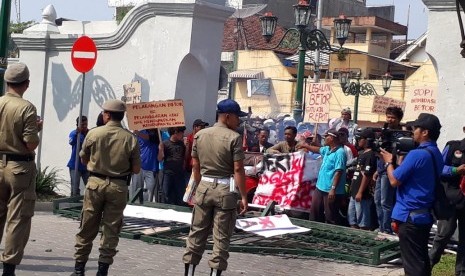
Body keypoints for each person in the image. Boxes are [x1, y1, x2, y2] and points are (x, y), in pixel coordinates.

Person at [72, 99, 141, 276]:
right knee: (111, 229)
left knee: (87, 226)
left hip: (95, 183)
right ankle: (102, 271)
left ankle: (79, 269)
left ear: (107, 115)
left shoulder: (94, 134)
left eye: (104, 112)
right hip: (118, 186)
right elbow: (136, 169)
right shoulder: (130, 138)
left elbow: (83, 159)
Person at [182, 99, 248, 276]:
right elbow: (238, 169)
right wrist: (243, 196)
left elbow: (195, 167)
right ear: (227, 116)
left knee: (196, 233)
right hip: (225, 190)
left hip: (203, 187)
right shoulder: (234, 138)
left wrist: (196, 188)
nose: (238, 121)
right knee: (221, 237)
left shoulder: (200, 135)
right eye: (237, 117)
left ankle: (189, 273)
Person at [380, 113, 443, 276]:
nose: (412, 131)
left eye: (415, 128)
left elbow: (394, 180)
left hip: (409, 217)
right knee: (420, 260)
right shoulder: (435, 152)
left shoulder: (417, 154)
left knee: (413, 266)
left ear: (425, 132)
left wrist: (388, 162)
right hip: (423, 215)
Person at [0, 63, 42, 276]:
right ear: (26, 84)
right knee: (17, 218)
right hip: (19, 168)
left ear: (7, 82)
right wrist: (37, 128)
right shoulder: (26, 108)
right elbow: (30, 143)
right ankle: (8, 268)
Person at [429, 131, 465, 275]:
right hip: (449, 199)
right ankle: (428, 265)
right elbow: (439, 168)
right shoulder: (453, 146)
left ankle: (461, 271)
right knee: (444, 234)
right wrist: (456, 170)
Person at [299, 128, 347, 225]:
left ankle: (332, 235)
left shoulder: (340, 153)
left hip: (331, 190)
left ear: (332, 138)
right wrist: (305, 145)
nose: (324, 139)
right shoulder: (327, 149)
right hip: (320, 187)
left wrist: (333, 189)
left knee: (330, 215)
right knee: (315, 212)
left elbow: (339, 171)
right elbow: (317, 149)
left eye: (326, 137)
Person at [373, 106, 404, 234]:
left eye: (393, 118)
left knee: (386, 202)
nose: (390, 120)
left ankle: (386, 229)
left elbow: (400, 154)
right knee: (377, 200)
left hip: (390, 170)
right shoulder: (384, 131)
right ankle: (381, 226)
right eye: (388, 117)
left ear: (399, 119)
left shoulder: (401, 135)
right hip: (381, 169)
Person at [348, 128, 377, 230]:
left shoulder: (370, 155)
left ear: (367, 140)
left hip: (363, 194)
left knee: (363, 222)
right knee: (352, 218)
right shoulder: (362, 153)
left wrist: (360, 192)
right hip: (354, 192)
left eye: (361, 138)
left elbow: (367, 175)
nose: (359, 140)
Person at [158, 126, 187, 205]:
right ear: (175, 132)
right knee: (166, 194)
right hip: (168, 174)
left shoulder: (181, 144)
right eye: (182, 132)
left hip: (179, 174)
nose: (183, 134)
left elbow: (185, 157)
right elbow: (160, 159)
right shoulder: (165, 143)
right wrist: (160, 149)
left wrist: (186, 146)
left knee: (180, 195)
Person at [130, 129, 160, 202]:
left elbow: (152, 138)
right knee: (136, 189)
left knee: (150, 191)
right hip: (139, 167)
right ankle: (134, 206)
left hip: (152, 168)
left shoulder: (158, 134)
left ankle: (147, 207)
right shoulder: (140, 133)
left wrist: (138, 133)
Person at [67, 116, 89, 197]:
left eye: (86, 124)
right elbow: (71, 142)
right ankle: (73, 203)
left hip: (86, 165)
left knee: (90, 185)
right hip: (75, 164)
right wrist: (77, 134)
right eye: (82, 124)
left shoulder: (90, 133)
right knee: (75, 188)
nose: (85, 126)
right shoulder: (74, 133)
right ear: (78, 125)